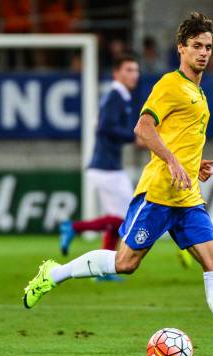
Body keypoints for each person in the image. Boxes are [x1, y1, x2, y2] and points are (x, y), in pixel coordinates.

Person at [23, 12, 213, 356]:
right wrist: (173, 162)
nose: (204, 52)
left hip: (188, 196)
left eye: (208, 46)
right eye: (196, 46)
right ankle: (54, 273)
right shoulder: (170, 85)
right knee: (125, 263)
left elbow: (182, 139)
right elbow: (143, 128)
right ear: (181, 49)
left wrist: (194, 165)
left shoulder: (199, 93)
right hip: (159, 192)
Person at [58, 54, 139, 281]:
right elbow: (104, 128)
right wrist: (134, 137)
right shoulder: (115, 96)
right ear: (117, 73)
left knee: (116, 218)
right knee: (125, 219)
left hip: (107, 166)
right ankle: (74, 227)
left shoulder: (119, 96)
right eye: (129, 70)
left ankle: (104, 270)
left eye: (136, 70)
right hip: (107, 168)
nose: (135, 75)